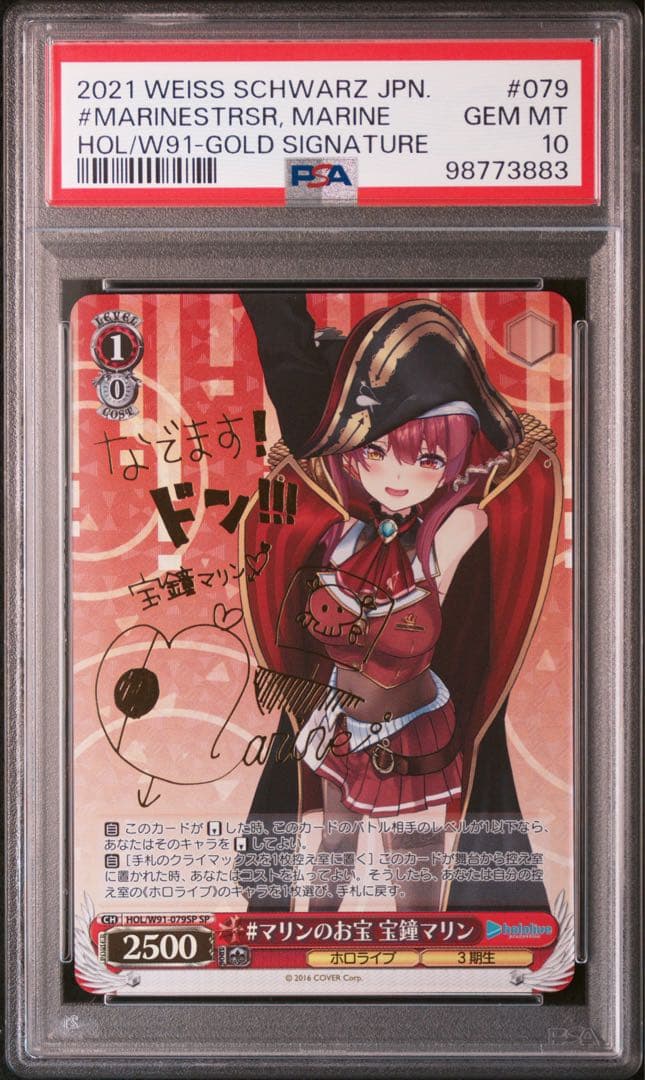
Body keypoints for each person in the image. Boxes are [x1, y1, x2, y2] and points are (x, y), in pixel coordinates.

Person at [237, 293, 561, 914]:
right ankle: (305, 953)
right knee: (331, 854)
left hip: (411, 732)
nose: (396, 476)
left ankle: (430, 962)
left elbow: (506, 467)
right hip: (338, 721)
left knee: (414, 874)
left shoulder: (455, 531)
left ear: (452, 462)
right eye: (376, 451)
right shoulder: (338, 532)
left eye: (426, 458)